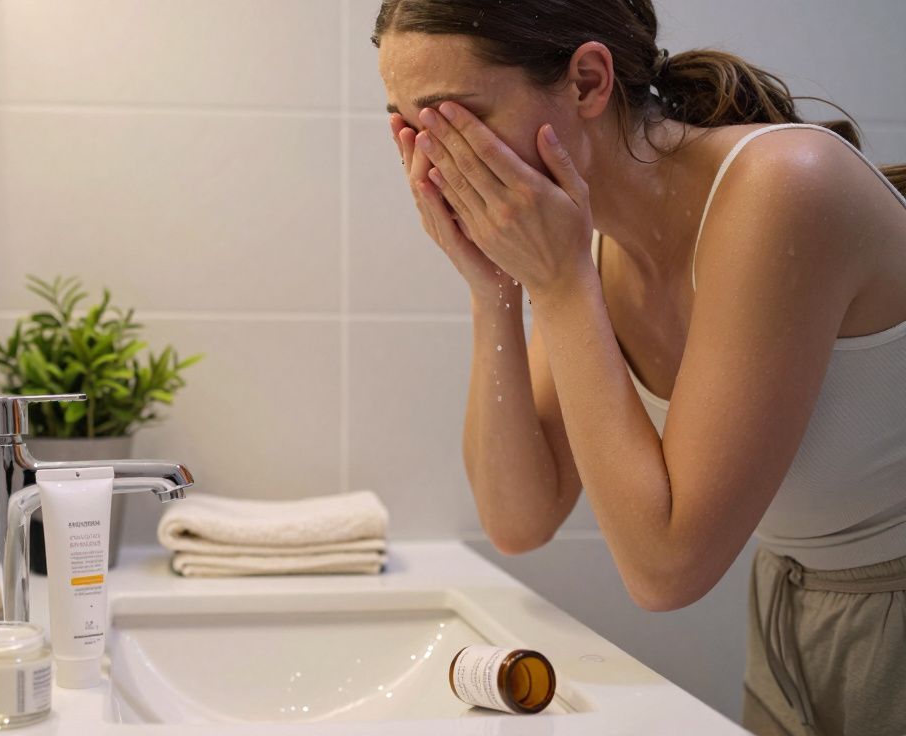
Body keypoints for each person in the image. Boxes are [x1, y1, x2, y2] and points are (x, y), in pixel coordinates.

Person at [372, 1, 906, 734]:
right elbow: (517, 517)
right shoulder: (597, 248)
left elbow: (666, 570)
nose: (431, 161)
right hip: (789, 610)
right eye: (406, 126)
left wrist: (559, 288)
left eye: (453, 119)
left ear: (588, 82)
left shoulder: (786, 185)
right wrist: (492, 288)